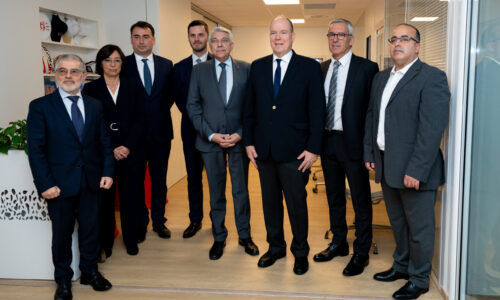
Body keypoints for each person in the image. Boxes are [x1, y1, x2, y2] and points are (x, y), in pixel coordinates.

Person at [363, 23, 450, 299]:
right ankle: (401, 266)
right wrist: (370, 153)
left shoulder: (432, 77)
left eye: (405, 38)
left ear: (417, 46)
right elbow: (372, 118)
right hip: (387, 164)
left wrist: (417, 169)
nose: (397, 43)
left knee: (419, 229)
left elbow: (431, 129)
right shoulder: (381, 77)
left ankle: (420, 278)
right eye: (394, 39)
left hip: (414, 169)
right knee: (398, 223)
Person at [27, 54, 114, 300]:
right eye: (63, 71)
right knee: (62, 235)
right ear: (55, 76)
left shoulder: (95, 105)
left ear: (84, 77)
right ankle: (63, 280)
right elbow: (36, 150)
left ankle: (90, 272)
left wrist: (107, 171)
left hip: (91, 180)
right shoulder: (40, 107)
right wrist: (45, 184)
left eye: (74, 71)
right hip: (58, 184)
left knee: (90, 231)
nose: (68, 76)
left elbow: (104, 143)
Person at [243, 16, 325, 275]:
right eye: (273, 33)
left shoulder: (309, 67)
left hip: (296, 152)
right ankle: (275, 247)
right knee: (270, 204)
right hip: (264, 151)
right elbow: (249, 109)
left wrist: (313, 148)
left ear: (292, 36)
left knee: (296, 205)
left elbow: (317, 110)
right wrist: (248, 142)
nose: (277, 37)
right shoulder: (257, 67)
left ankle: (300, 252)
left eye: (283, 33)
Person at [312, 18, 378, 277]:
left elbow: (372, 112)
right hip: (328, 141)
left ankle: (361, 251)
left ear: (351, 39)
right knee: (334, 196)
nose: (335, 39)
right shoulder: (322, 68)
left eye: (341, 35)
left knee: (361, 200)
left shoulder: (367, 68)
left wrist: (369, 148)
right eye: (331, 35)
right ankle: (339, 242)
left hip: (354, 143)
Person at [187, 26, 259, 260]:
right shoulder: (199, 71)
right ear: (209, 45)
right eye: (215, 41)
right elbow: (193, 106)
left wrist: (240, 133)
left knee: (241, 191)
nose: (219, 44)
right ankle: (219, 237)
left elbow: (253, 107)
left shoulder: (247, 69)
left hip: (239, 141)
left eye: (224, 40)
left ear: (232, 45)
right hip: (210, 142)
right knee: (216, 191)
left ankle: (245, 235)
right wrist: (211, 135)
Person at [83, 44, 145, 256]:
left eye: (117, 60)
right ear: (101, 63)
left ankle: (131, 239)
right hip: (103, 154)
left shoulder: (134, 85)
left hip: (131, 151)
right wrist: (111, 149)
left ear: (122, 63)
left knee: (131, 198)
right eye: (108, 60)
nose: (112, 64)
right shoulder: (91, 90)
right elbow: (91, 124)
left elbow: (140, 120)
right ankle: (106, 242)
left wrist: (127, 146)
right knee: (105, 201)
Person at [123, 21, 174, 240]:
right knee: (135, 182)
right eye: (136, 36)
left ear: (153, 39)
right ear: (131, 39)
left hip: (160, 133)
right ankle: (141, 222)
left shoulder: (166, 64)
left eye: (146, 36)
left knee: (159, 180)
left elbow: (169, 96)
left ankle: (159, 221)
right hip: (133, 137)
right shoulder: (122, 65)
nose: (141, 41)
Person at [173, 20, 212, 239]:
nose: (196, 39)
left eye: (200, 34)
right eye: (192, 35)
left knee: (216, 180)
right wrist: (196, 118)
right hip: (190, 132)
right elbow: (180, 100)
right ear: (188, 38)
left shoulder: (218, 63)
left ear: (206, 36)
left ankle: (217, 220)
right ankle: (195, 219)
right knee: (193, 178)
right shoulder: (179, 69)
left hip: (215, 133)